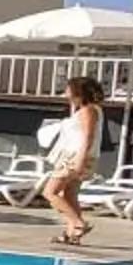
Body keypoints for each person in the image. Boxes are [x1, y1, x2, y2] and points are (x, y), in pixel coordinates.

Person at [41, 75, 105, 246]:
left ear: (78, 92)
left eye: (68, 90)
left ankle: (78, 224)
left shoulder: (88, 111)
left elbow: (88, 137)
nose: (66, 93)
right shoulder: (88, 110)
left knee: (50, 192)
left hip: (75, 156)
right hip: (78, 155)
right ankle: (72, 235)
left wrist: (80, 159)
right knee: (69, 194)